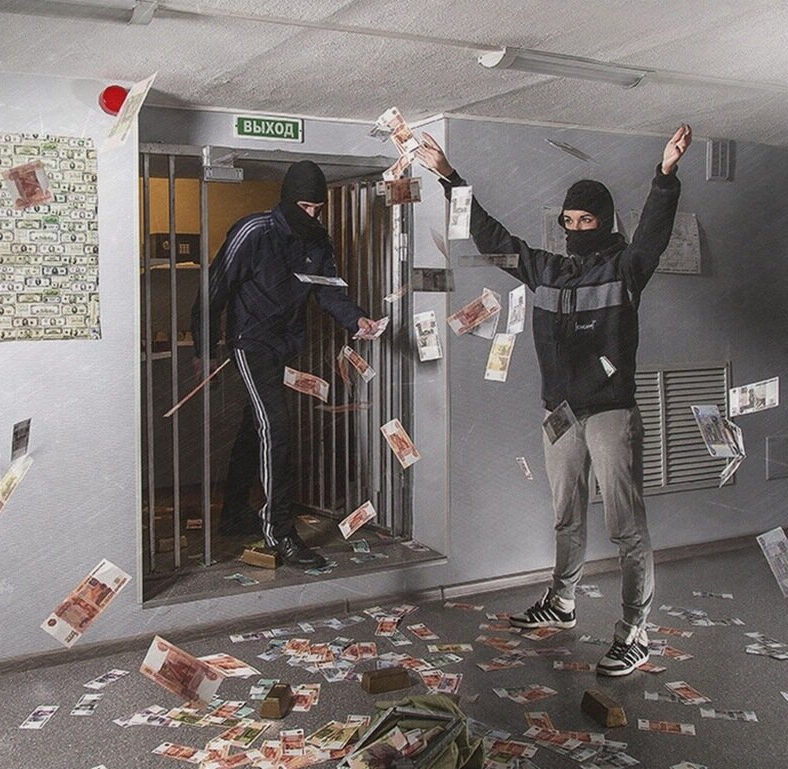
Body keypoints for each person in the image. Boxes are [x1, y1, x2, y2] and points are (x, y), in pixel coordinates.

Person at [417, 125, 692, 676]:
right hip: (560, 414)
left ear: (604, 223)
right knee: (566, 515)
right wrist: (449, 176)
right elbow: (490, 234)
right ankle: (562, 602)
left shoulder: (625, 269)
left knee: (625, 526)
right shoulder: (545, 270)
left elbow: (654, 234)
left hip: (610, 411)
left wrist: (665, 175)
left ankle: (634, 631)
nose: (575, 230)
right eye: (569, 221)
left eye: (586, 221)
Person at [191, 160, 379, 568]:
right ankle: (279, 532)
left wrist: (357, 320)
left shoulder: (319, 240)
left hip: (286, 345)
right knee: (274, 426)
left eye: (318, 208)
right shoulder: (253, 232)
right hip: (249, 342)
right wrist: (204, 351)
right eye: (305, 207)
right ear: (288, 201)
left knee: (255, 426)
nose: (312, 215)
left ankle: (234, 512)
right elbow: (213, 290)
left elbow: (328, 291)